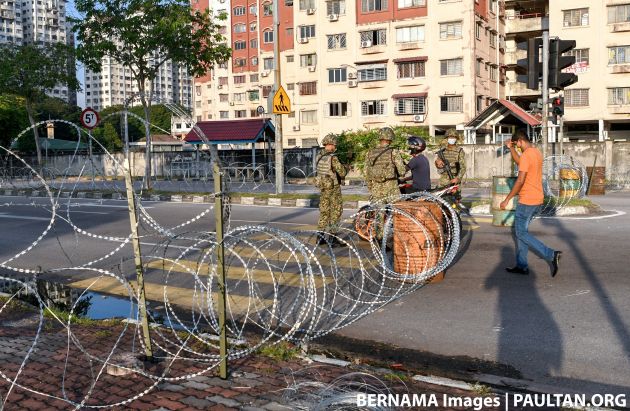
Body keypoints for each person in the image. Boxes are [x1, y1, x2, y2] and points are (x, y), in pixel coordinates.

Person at [500, 130, 562, 276]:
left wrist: (507, 199)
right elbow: (520, 162)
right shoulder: (535, 152)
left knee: (520, 233)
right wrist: (511, 148)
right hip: (537, 200)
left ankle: (551, 254)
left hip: (527, 201)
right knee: (522, 233)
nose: (518, 148)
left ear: (520, 141)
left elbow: (520, 180)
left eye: (517, 145)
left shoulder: (527, 154)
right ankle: (522, 265)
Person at [315, 133, 348, 247]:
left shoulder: (318, 156)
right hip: (333, 188)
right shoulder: (333, 157)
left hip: (323, 188)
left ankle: (320, 237)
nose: (335, 146)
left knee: (324, 212)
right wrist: (346, 167)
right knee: (336, 212)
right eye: (334, 144)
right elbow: (342, 172)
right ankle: (333, 238)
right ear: (330, 144)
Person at [364, 127, 406, 201]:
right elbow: (402, 171)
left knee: (379, 211)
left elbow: (366, 173)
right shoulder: (394, 152)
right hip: (392, 188)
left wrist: (371, 187)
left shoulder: (369, 153)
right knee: (395, 210)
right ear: (390, 138)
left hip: (376, 188)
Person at [435, 129, 466, 204]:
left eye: (453, 137)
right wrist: (437, 163)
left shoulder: (459, 151)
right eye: (450, 137)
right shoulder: (442, 151)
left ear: (456, 139)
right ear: (447, 138)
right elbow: (438, 165)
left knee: (454, 202)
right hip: (443, 179)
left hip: (454, 178)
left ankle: (455, 215)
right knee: (439, 201)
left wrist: (458, 178)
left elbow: (463, 167)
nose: (451, 139)